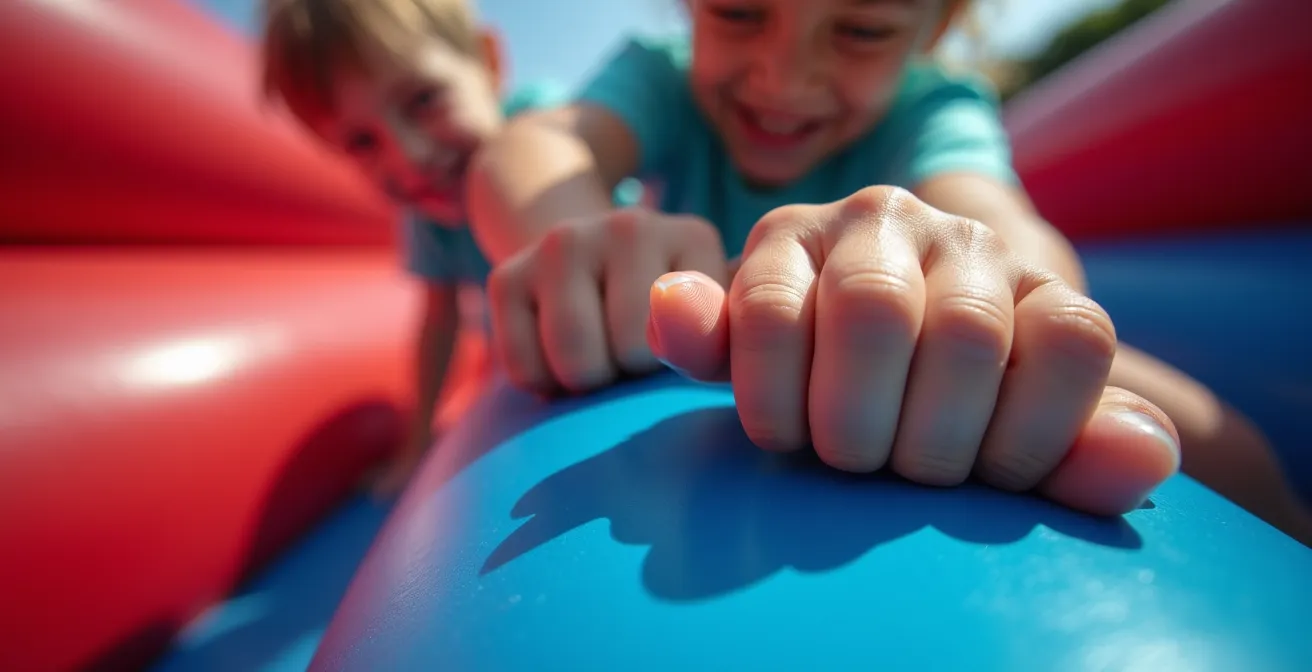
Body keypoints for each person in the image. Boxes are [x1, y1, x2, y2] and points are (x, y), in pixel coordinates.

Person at [467, 0, 1311, 542]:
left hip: (915, 327)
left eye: (862, 30)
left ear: (934, 27)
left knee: (1216, 441)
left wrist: (981, 284)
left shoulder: (935, 107)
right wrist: (581, 235)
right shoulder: (657, 73)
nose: (783, 78)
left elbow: (1006, 225)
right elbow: (540, 143)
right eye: (736, 13)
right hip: (696, 330)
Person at [260, 0, 599, 497]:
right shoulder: (428, 217)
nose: (411, 158)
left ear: (487, 62)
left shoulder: (544, 126)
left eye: (423, 100)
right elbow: (439, 323)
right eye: (362, 142)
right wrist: (416, 447)